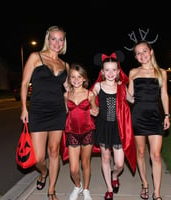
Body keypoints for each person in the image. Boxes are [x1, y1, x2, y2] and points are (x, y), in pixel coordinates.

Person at [20, 25, 69, 200]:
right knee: (39, 158)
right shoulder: (36, 57)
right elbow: (25, 83)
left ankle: (52, 190)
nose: (57, 42)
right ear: (48, 39)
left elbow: (68, 89)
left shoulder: (65, 64)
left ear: (64, 42)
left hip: (57, 111)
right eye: (53, 38)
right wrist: (24, 108)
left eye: (61, 39)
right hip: (38, 111)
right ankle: (43, 172)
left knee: (54, 151)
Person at [128, 40, 170, 200]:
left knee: (156, 155)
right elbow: (130, 98)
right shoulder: (133, 72)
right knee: (140, 152)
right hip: (137, 116)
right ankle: (145, 183)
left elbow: (164, 95)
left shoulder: (161, 72)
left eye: (144, 51)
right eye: (138, 53)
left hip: (154, 117)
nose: (142, 55)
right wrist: (122, 90)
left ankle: (157, 192)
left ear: (151, 52)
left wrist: (167, 115)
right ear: (136, 57)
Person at [90, 52, 136, 200]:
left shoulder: (121, 87)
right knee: (105, 158)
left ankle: (114, 175)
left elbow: (132, 100)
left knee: (119, 163)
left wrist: (132, 83)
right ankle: (109, 189)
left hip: (118, 128)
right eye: (107, 70)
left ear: (118, 71)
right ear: (102, 72)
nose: (110, 73)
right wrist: (92, 104)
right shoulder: (98, 85)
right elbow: (91, 94)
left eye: (113, 70)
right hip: (103, 126)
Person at [60, 64, 99, 200]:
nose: (76, 80)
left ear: (84, 79)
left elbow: (95, 109)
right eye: (73, 77)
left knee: (85, 163)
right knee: (73, 169)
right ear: (69, 79)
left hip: (87, 131)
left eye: (79, 77)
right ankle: (78, 185)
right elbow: (66, 111)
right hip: (72, 133)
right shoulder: (66, 95)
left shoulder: (90, 94)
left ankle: (86, 189)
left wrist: (95, 111)